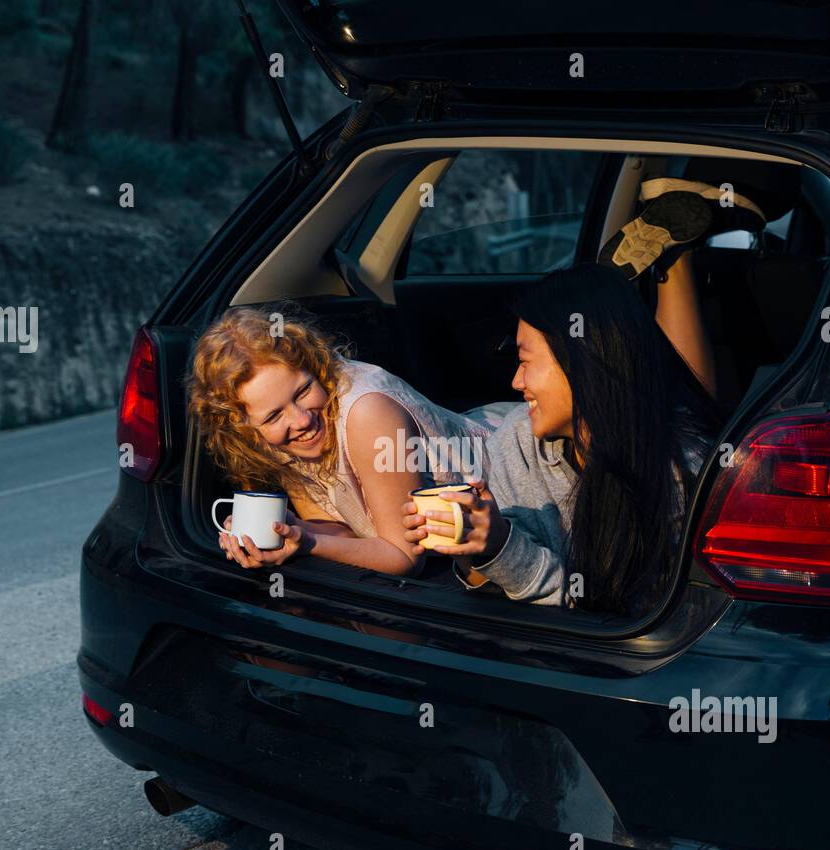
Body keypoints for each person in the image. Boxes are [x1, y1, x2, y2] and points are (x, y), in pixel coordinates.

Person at [402, 260, 723, 617]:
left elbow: (623, 619)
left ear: (582, 361)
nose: (516, 382)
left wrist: (503, 550)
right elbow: (498, 584)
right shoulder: (519, 439)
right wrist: (475, 548)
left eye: (525, 360)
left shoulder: (682, 469)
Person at [186, 304, 511, 577]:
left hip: (519, 483)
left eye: (303, 391)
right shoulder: (276, 442)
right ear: (245, 431)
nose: (302, 420)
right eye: (273, 417)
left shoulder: (368, 413)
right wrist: (288, 530)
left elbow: (403, 556)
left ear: (313, 367)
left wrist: (309, 543)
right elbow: (344, 530)